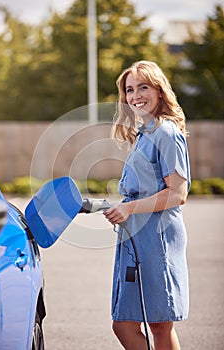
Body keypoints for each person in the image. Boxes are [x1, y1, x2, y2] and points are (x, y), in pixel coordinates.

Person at [104, 60, 191, 350]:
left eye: (143, 87)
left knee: (159, 324)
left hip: (159, 237)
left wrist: (129, 209)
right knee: (125, 322)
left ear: (159, 91)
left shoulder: (166, 132)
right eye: (130, 90)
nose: (136, 95)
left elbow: (178, 193)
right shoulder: (145, 134)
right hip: (135, 238)